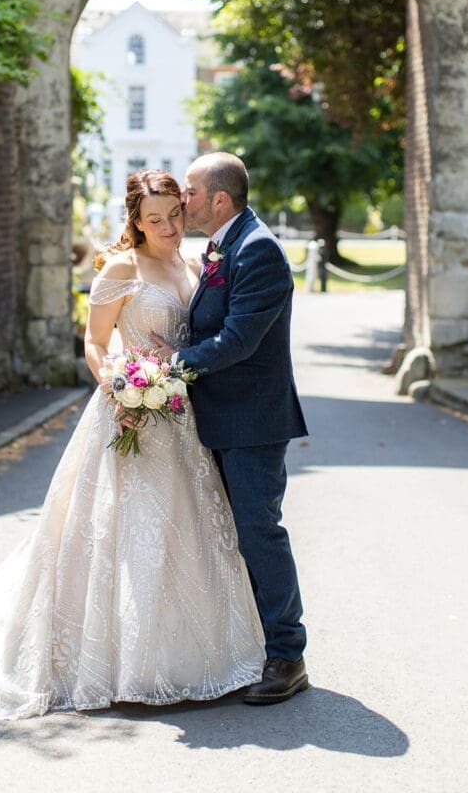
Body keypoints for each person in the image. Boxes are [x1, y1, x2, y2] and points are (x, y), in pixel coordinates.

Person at [0, 169, 265, 721]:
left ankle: (180, 657)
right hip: (127, 413)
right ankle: (110, 661)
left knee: (180, 531)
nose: (167, 226)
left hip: (180, 417)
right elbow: (95, 343)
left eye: (175, 215)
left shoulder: (194, 265)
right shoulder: (121, 268)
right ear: (136, 221)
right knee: (117, 533)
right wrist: (118, 384)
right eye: (154, 218)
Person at [150, 152, 309, 705]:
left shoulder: (259, 249)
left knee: (259, 531)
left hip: (253, 421)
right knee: (232, 535)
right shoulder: (222, 245)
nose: (181, 199)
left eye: (190, 192)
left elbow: (239, 340)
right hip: (220, 417)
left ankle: (288, 655)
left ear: (219, 198)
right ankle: (251, 644)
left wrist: (173, 366)